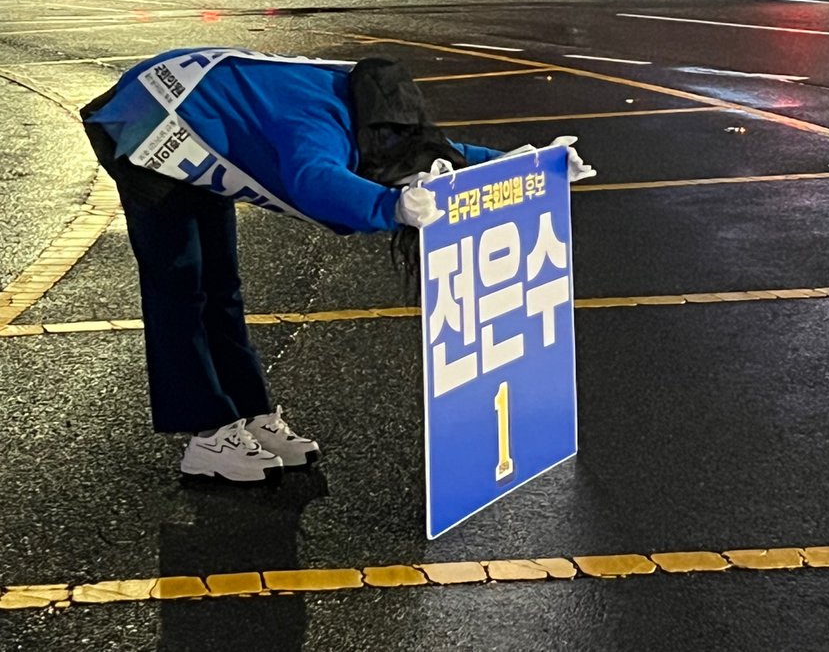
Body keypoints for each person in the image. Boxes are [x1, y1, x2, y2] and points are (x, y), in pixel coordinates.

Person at [82, 48, 594, 484]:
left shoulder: (383, 118)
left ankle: (251, 414)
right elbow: (314, 180)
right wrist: (389, 207)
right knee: (181, 286)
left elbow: (444, 156)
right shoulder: (317, 123)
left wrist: (536, 165)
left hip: (201, 124)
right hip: (146, 126)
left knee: (222, 286)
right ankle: (208, 435)